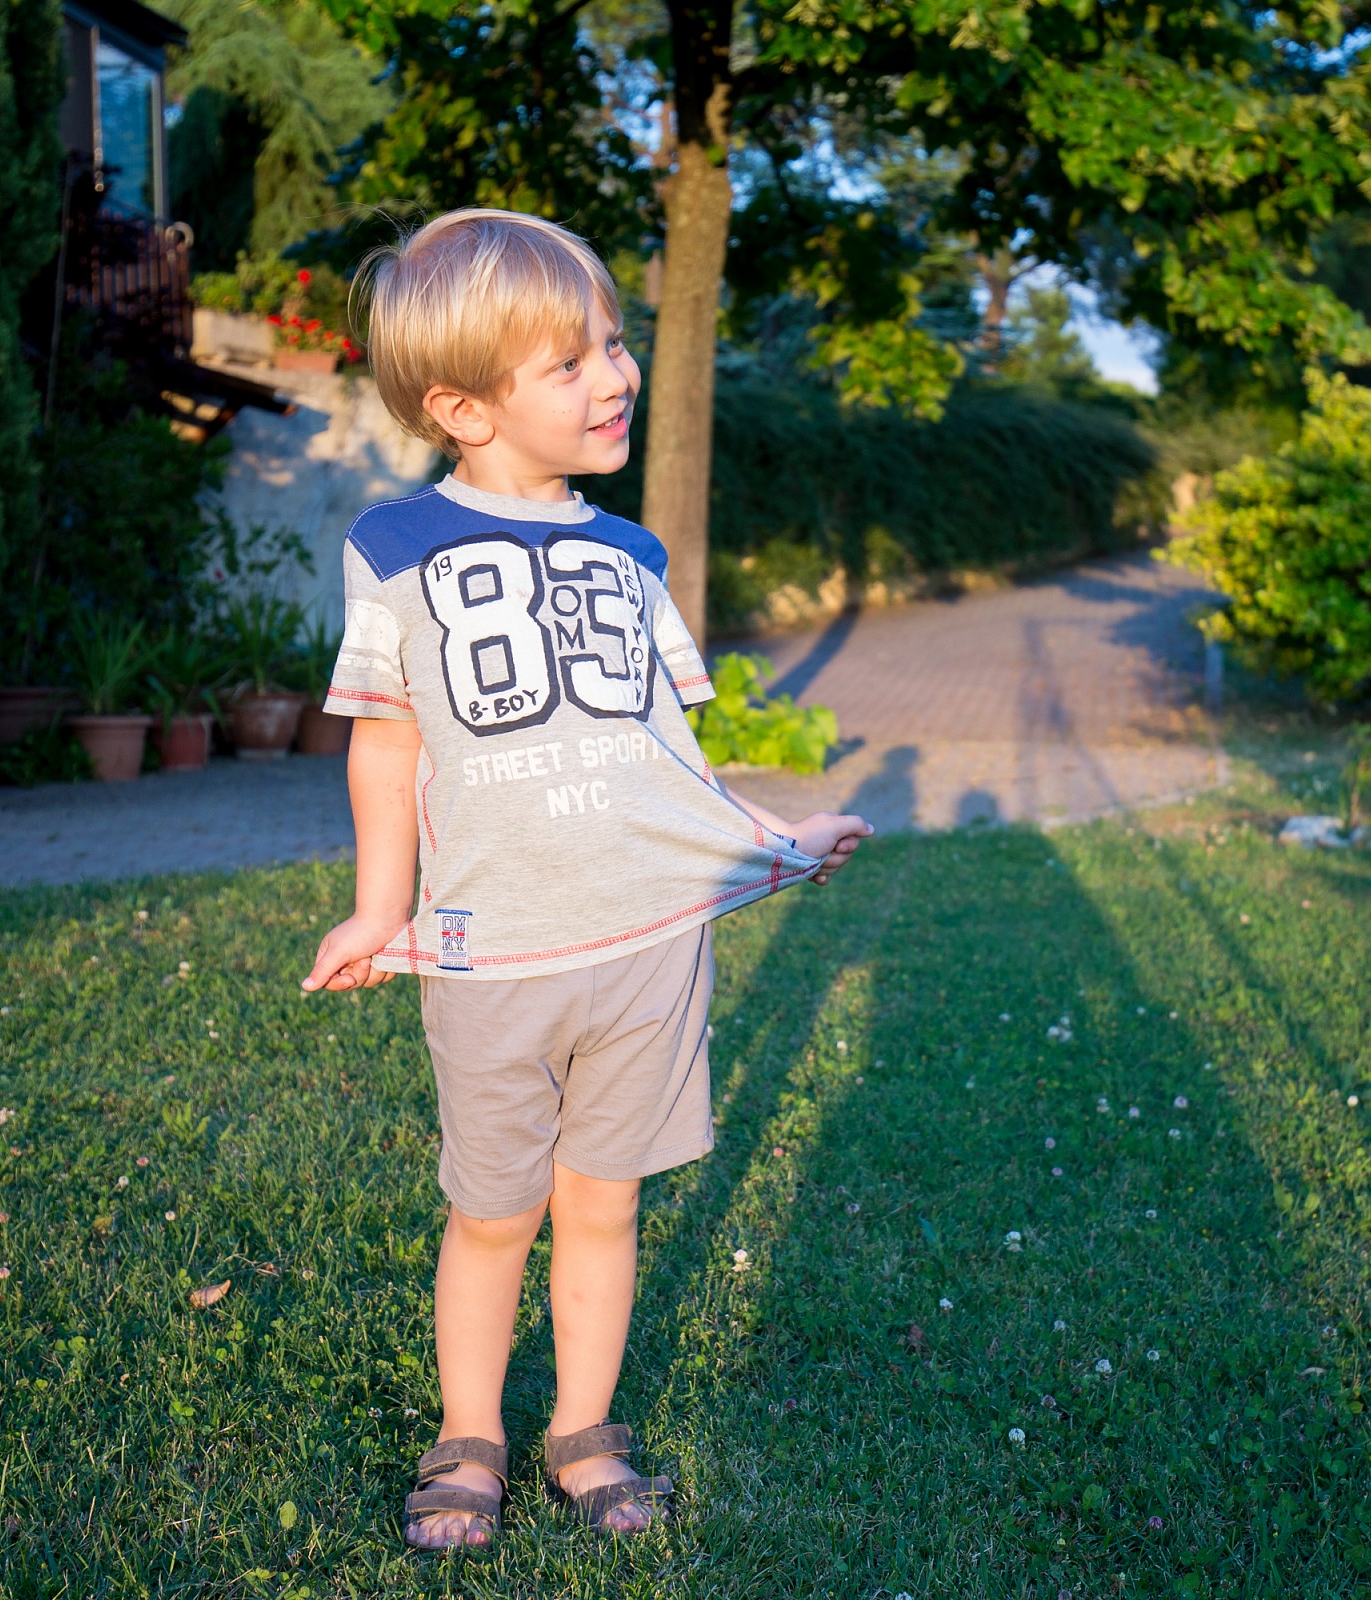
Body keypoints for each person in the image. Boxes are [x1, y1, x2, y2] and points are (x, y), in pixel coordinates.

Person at [298, 208, 871, 1550]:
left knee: (603, 1204)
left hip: (645, 951)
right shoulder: (392, 548)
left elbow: (668, 756)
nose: (616, 375)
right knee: (493, 1214)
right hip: (496, 956)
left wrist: (772, 839)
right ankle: (471, 1437)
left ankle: (581, 1435)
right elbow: (387, 750)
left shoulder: (633, 558)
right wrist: (382, 910)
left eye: (615, 345)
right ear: (464, 406)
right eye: (572, 362)